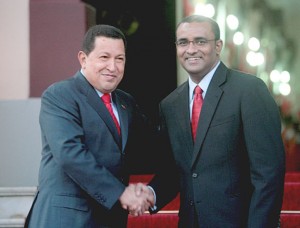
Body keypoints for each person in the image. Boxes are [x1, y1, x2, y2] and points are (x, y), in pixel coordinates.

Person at [142, 15, 286, 227]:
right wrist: (150, 194)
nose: (191, 49)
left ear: (218, 46)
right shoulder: (169, 105)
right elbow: (177, 172)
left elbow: (268, 174)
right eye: (183, 42)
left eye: (200, 41)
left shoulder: (249, 90)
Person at [24, 24, 154, 228]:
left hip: (109, 219)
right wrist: (120, 193)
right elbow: (69, 153)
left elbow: (149, 147)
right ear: (83, 59)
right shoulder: (60, 94)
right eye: (104, 57)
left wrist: (149, 192)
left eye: (119, 59)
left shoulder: (125, 102)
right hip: (65, 219)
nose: (113, 67)